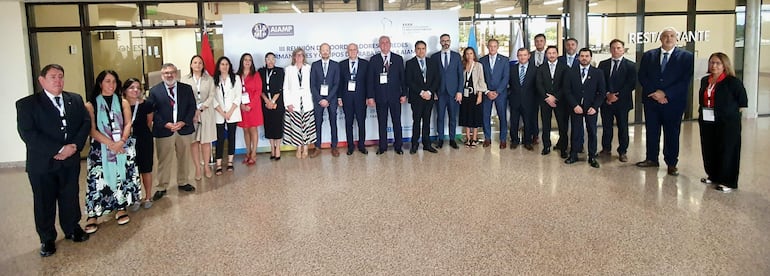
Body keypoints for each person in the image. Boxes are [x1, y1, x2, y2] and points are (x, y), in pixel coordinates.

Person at [17, 64, 90, 257]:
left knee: (70, 195)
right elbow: (28, 134)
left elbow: (85, 123)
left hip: (70, 161)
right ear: (42, 81)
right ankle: (47, 238)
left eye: (60, 76)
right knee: (44, 201)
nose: (58, 80)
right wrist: (58, 149)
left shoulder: (74, 99)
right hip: (42, 163)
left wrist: (74, 146)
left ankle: (72, 228)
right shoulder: (27, 104)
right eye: (52, 77)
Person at [83, 70, 141, 231]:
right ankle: (93, 214)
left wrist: (121, 141)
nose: (111, 85)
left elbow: (128, 123)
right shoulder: (90, 104)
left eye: (114, 81)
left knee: (120, 177)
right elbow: (92, 130)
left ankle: (120, 207)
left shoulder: (122, 102)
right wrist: (110, 144)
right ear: (100, 83)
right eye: (107, 81)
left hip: (122, 146)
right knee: (97, 180)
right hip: (100, 149)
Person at [636, 27, 694, 176]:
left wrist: (665, 94)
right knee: (652, 131)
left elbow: (685, 81)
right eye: (665, 36)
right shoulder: (649, 55)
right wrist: (655, 94)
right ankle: (651, 159)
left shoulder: (687, 57)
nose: (669, 38)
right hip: (651, 101)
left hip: (673, 102)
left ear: (677, 39)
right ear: (660, 39)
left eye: (672, 36)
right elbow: (643, 76)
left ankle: (671, 163)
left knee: (672, 133)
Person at [698, 52, 748, 193]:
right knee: (709, 148)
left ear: (725, 65)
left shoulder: (733, 82)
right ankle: (713, 175)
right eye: (712, 62)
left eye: (718, 63)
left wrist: (729, 113)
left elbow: (742, 102)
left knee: (727, 150)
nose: (714, 66)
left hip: (727, 123)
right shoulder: (705, 80)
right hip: (707, 120)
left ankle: (728, 181)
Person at [147, 63, 197, 201]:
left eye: (172, 72)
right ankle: (162, 186)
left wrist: (183, 122)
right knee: (164, 159)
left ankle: (183, 182)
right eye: (166, 73)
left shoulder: (186, 89)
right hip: (164, 130)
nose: (169, 75)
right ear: (162, 75)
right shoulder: (154, 91)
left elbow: (192, 107)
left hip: (183, 129)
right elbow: (152, 112)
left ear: (176, 73)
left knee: (184, 157)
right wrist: (165, 124)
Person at [563, 48, 606, 168]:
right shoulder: (571, 72)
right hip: (576, 107)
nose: (584, 58)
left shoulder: (598, 73)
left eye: (587, 56)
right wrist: (574, 105)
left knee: (592, 131)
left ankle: (592, 156)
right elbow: (567, 90)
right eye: (582, 56)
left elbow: (601, 92)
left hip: (591, 108)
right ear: (578, 57)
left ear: (590, 58)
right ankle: (574, 154)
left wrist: (595, 107)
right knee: (576, 131)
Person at [598, 39, 637, 163]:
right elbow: (600, 82)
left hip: (622, 102)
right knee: (606, 127)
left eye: (619, 48)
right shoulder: (603, 64)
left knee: (623, 127)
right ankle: (606, 149)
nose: (616, 50)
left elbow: (631, 84)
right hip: (606, 101)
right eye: (613, 48)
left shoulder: (631, 65)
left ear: (623, 50)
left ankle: (622, 151)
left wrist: (616, 96)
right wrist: (607, 95)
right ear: (610, 50)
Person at [367, 35, 406, 155]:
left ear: (390, 44)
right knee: (382, 123)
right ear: (379, 45)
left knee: (397, 122)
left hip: (395, 97)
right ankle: (382, 146)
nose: (384, 44)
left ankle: (398, 146)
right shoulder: (374, 60)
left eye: (387, 42)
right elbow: (370, 80)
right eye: (382, 43)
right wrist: (370, 97)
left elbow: (402, 79)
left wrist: (404, 94)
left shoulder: (398, 59)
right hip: (380, 97)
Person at [180, 55, 217, 179]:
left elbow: (212, 95)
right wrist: (194, 110)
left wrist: (201, 108)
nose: (197, 65)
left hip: (206, 113)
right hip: (191, 114)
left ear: (203, 65)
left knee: (205, 142)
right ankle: (197, 168)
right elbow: (183, 96)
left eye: (200, 63)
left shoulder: (209, 79)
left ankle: (206, 166)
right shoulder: (185, 79)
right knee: (194, 141)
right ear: (191, 65)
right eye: (195, 63)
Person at [123, 78, 154, 209]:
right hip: (125, 141)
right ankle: (134, 197)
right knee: (131, 170)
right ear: (124, 90)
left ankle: (147, 196)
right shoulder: (119, 105)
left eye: (137, 88)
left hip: (144, 139)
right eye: (131, 87)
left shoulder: (147, 104)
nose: (135, 90)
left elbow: (149, 122)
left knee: (145, 168)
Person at [405, 40, 440, 154]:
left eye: (423, 48)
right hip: (416, 97)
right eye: (418, 49)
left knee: (427, 121)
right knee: (416, 121)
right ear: (415, 50)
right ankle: (414, 144)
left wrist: (429, 92)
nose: (421, 51)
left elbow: (436, 79)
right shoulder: (410, 63)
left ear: (426, 49)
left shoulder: (432, 62)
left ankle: (427, 144)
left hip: (429, 97)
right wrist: (421, 92)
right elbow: (409, 81)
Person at [535, 46, 570, 157]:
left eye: (553, 53)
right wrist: (547, 97)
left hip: (560, 101)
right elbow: (538, 84)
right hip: (545, 101)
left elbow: (566, 85)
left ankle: (563, 148)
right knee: (546, 125)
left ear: (557, 54)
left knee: (562, 126)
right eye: (549, 53)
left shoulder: (565, 67)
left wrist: (555, 97)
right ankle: (546, 146)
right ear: (546, 55)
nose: (551, 55)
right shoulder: (541, 68)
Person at [431, 34, 463, 149]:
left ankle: (452, 139)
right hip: (439, 93)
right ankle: (440, 139)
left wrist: (460, 91)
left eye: (447, 40)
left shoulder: (456, 56)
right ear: (440, 42)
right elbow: (432, 76)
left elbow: (460, 75)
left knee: (452, 117)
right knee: (440, 117)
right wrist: (433, 91)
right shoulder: (434, 57)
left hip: (453, 93)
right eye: (443, 41)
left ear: (450, 41)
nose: (445, 42)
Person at [283, 47, 315, 158]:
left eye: (301, 55)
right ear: (294, 57)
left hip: (307, 102)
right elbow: (285, 87)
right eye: (297, 55)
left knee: (306, 126)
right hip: (294, 102)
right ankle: (298, 148)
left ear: (304, 57)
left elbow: (313, 85)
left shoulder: (309, 68)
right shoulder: (289, 69)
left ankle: (305, 148)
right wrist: (287, 103)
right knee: (296, 127)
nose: (299, 57)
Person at [338, 43, 369, 155]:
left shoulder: (365, 64)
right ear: (347, 51)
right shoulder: (341, 64)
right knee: (348, 122)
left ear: (357, 51)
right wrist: (339, 97)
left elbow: (368, 82)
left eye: (354, 49)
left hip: (361, 98)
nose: (352, 52)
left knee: (361, 122)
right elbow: (339, 83)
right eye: (350, 50)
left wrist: (368, 96)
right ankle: (350, 146)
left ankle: (361, 145)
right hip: (347, 98)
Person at [310, 43, 340, 157]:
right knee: (317, 123)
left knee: (333, 122)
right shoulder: (315, 65)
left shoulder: (335, 65)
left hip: (331, 99)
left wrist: (327, 99)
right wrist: (320, 99)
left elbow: (337, 84)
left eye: (327, 50)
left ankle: (334, 147)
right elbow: (312, 85)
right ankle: (317, 147)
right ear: (320, 52)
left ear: (330, 51)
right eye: (323, 50)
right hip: (318, 100)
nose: (325, 52)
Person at [213, 56, 243, 174]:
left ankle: (230, 161)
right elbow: (213, 98)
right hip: (219, 113)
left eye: (227, 64)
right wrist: (222, 112)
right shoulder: (214, 79)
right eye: (222, 64)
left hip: (232, 112)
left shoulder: (235, 78)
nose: (224, 66)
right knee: (219, 139)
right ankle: (219, 163)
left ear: (229, 66)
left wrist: (230, 112)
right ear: (219, 67)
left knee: (232, 137)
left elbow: (238, 96)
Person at [479, 38, 510, 148]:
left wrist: (497, 91)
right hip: (486, 93)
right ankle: (487, 138)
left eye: (494, 46)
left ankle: (503, 139)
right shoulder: (482, 60)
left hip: (500, 93)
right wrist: (487, 91)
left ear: (497, 47)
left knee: (502, 116)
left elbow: (506, 78)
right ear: (487, 47)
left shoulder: (505, 60)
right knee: (485, 116)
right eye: (490, 46)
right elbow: (480, 78)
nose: (492, 48)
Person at [508, 48, 538, 151]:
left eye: (524, 55)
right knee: (514, 122)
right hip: (514, 100)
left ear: (529, 56)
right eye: (520, 55)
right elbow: (509, 85)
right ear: (517, 56)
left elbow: (537, 86)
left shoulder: (535, 69)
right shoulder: (512, 68)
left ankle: (527, 142)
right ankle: (514, 141)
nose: (522, 57)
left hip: (529, 101)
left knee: (528, 122)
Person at [237, 53, 264, 165]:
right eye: (245, 60)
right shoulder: (237, 76)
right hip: (242, 107)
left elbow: (258, 91)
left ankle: (253, 154)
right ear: (242, 62)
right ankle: (247, 152)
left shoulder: (256, 74)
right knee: (245, 129)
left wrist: (250, 105)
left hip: (253, 106)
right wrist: (241, 105)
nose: (247, 62)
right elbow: (234, 92)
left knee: (253, 129)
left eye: (249, 60)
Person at [259, 52, 286, 160]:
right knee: (269, 126)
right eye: (268, 59)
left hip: (277, 103)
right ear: (265, 61)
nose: (270, 61)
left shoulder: (279, 71)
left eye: (272, 59)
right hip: (265, 102)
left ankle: (278, 148)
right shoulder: (261, 72)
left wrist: (273, 101)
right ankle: (272, 148)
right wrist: (267, 101)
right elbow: (259, 88)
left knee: (277, 126)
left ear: (275, 60)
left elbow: (280, 87)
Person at [459, 47, 487, 148]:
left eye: (471, 53)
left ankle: (474, 138)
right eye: (467, 54)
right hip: (464, 95)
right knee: (466, 116)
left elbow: (481, 80)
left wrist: (480, 95)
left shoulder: (478, 65)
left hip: (474, 94)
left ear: (474, 55)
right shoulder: (462, 65)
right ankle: (467, 138)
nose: (469, 56)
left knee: (475, 116)